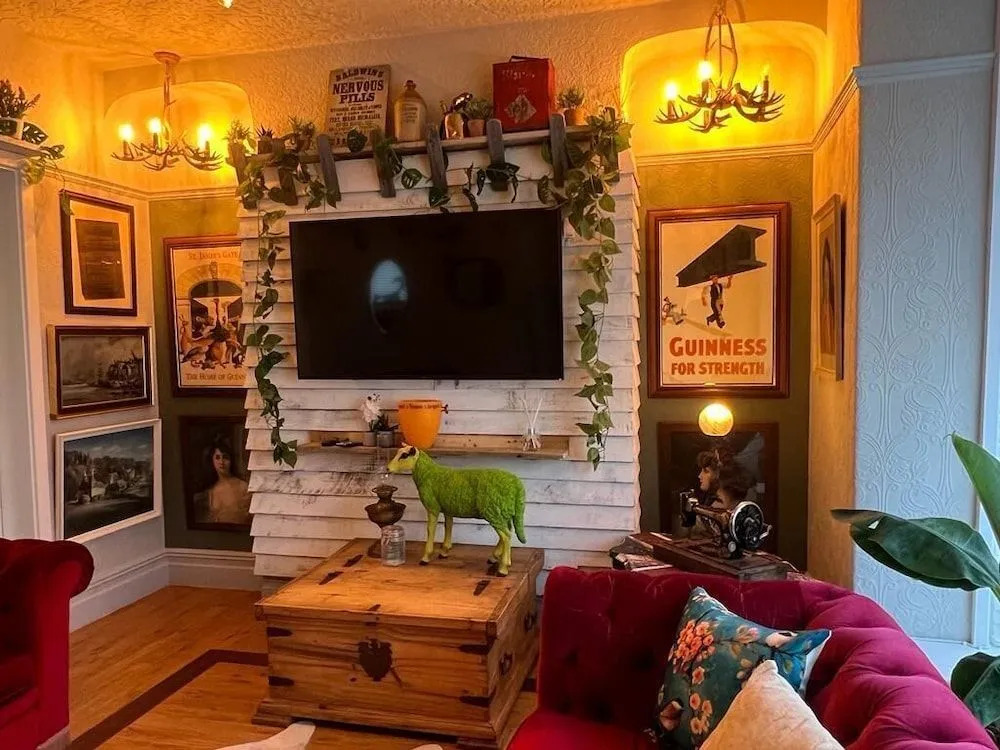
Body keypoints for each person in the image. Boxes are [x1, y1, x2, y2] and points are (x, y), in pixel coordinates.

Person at [193, 435, 250, 525]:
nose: (221, 462)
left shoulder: (243, 487)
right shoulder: (211, 491)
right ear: (212, 461)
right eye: (217, 457)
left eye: (225, 457)